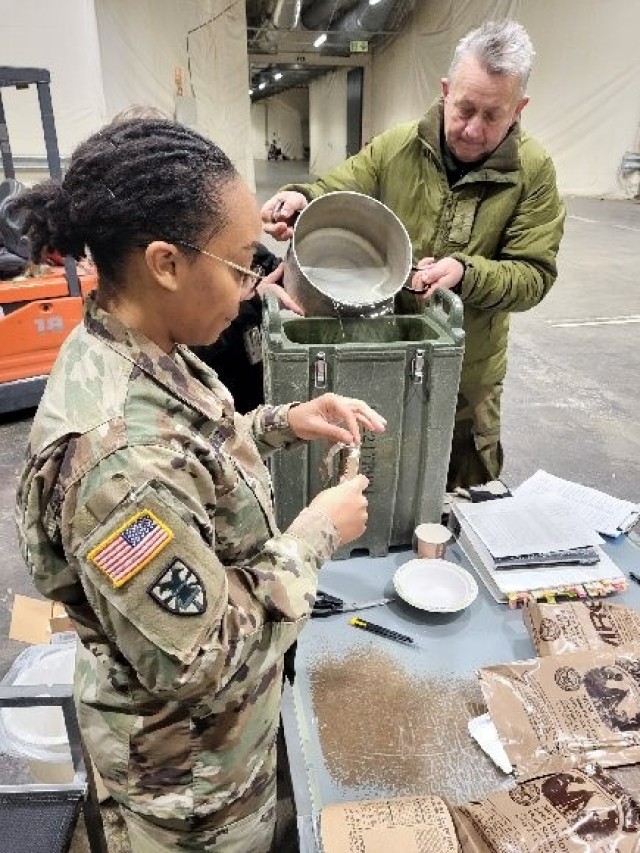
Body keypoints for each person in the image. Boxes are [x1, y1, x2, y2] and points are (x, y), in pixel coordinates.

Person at [13, 117, 385, 851]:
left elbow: (199, 445)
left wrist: (284, 419)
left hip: (220, 745)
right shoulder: (115, 468)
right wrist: (318, 532)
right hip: (190, 784)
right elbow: (201, 655)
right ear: (166, 263)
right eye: (244, 263)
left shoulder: (145, 346)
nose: (254, 287)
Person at [261, 19, 565, 490]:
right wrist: (301, 196)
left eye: (493, 115)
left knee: (468, 482)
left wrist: (465, 272)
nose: (472, 128)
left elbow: (533, 275)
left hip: (470, 368)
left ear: (519, 108)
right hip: (385, 347)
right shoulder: (397, 148)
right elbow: (337, 188)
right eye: (464, 108)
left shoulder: (534, 173)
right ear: (446, 90)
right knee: (383, 467)